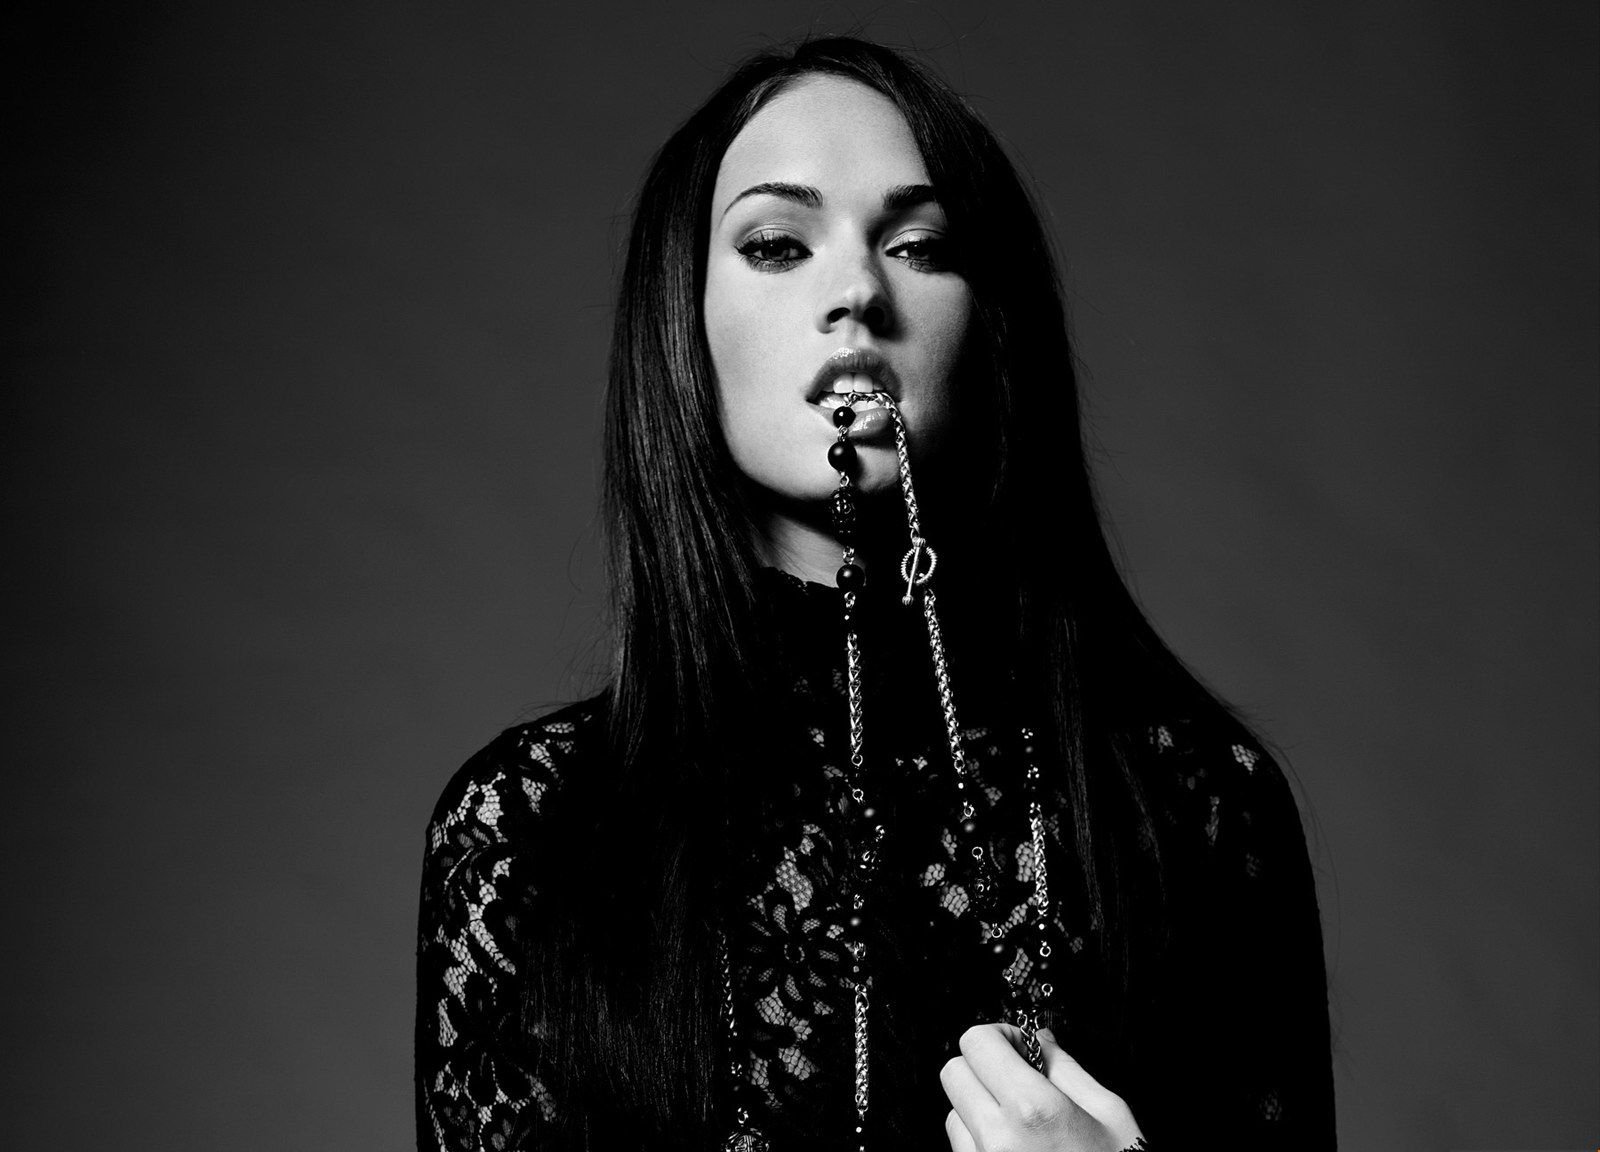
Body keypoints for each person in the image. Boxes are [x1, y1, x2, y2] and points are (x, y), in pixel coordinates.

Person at [415, 36, 1336, 1152]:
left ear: (992, 325)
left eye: (918, 246)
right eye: (775, 245)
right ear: (682, 326)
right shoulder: (531, 829)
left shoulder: (1193, 805)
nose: (857, 291)